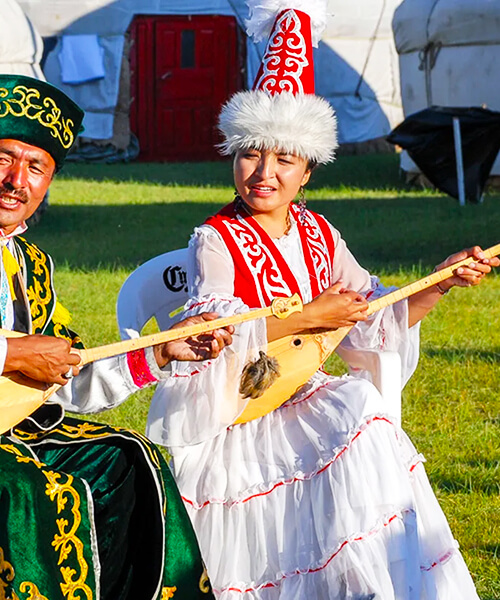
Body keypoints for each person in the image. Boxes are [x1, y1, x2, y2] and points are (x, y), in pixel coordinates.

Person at [147, 2, 498, 598]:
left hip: (305, 396)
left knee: (360, 411)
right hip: (241, 416)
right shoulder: (215, 240)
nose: (264, 172)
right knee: (357, 416)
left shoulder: (318, 233)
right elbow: (214, 339)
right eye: (251, 153)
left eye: (284, 158)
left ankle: (369, 583)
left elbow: (373, 319)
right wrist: (308, 317)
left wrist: (438, 282)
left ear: (307, 169)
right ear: (234, 155)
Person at [0, 73, 230, 600]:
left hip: (6, 432)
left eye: (36, 168)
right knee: (35, 497)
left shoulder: (32, 264)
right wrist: (15, 352)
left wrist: (158, 351)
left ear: (47, 184)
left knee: (132, 460)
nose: (16, 181)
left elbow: (61, 376)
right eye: (2, 159)